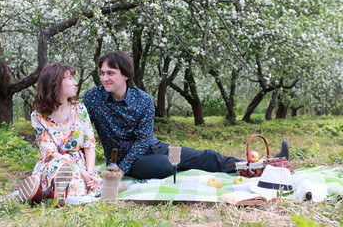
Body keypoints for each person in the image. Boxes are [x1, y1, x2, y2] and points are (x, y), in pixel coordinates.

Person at [83, 50, 289, 180]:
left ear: (125, 76)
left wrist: (122, 170)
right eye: (102, 73)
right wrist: (119, 168)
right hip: (126, 159)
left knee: (204, 157)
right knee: (164, 164)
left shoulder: (143, 100)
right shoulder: (93, 97)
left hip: (154, 148)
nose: (104, 78)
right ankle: (170, 169)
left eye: (110, 73)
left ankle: (261, 166)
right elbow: (80, 128)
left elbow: (144, 139)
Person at [17, 63, 101, 207]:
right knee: (63, 166)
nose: (75, 83)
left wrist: (91, 173)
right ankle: (54, 192)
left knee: (87, 186)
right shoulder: (38, 117)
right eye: (70, 78)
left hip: (80, 163)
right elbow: (50, 152)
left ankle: (44, 195)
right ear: (55, 83)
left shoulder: (79, 109)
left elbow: (89, 144)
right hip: (55, 162)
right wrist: (80, 172)